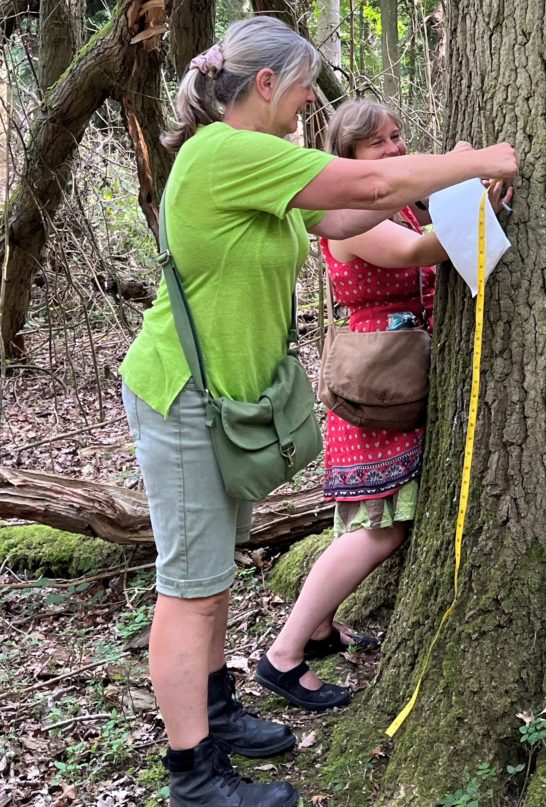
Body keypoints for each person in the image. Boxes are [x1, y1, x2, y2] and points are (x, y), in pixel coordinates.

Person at [119, 17, 517, 807]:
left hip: (224, 401)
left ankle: (217, 711)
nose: (308, 103)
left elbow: (344, 217)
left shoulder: (254, 167)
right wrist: (477, 160)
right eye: (303, 87)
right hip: (184, 398)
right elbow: (366, 188)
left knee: (212, 575)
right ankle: (192, 773)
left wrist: (449, 191)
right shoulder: (225, 152)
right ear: (265, 86)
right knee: (189, 586)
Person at [255, 101, 512, 711]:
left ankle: (318, 631)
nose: (395, 150)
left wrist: (456, 178)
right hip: (376, 384)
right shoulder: (351, 216)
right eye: (378, 145)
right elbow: (415, 252)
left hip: (396, 374)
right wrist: (483, 208)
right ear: (348, 162)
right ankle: (283, 655)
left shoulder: (390, 202)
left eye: (398, 137)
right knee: (381, 528)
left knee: (378, 520)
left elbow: (428, 210)